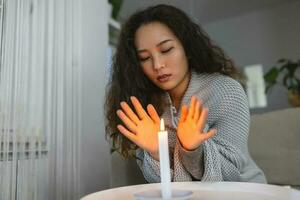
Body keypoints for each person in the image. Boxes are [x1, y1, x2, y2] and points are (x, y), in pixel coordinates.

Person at [105, 4, 266, 183]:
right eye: (144, 58)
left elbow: (232, 173)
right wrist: (156, 152)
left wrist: (193, 149)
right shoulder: (144, 103)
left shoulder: (226, 91)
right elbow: (163, 186)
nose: (157, 65)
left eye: (166, 50)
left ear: (186, 48)